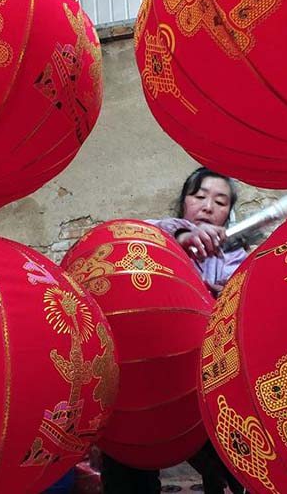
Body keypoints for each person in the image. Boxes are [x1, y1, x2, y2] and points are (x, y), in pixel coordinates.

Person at [101, 167, 247, 494]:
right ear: (183, 203)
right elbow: (133, 239)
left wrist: (226, 297)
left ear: (228, 214)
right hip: (147, 372)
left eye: (220, 202)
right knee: (128, 459)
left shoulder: (235, 257)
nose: (208, 207)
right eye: (199, 196)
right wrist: (182, 238)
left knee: (235, 458)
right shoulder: (155, 236)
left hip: (201, 377)